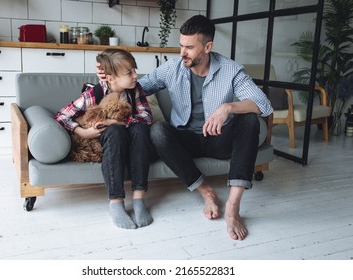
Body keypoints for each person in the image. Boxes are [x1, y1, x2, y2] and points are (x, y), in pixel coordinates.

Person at [97, 15, 273, 240]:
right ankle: (206, 191)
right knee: (158, 130)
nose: (182, 53)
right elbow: (136, 87)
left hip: (218, 139)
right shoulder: (173, 68)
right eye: (181, 45)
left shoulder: (231, 70)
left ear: (208, 47)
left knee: (250, 119)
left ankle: (233, 207)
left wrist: (228, 107)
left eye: (189, 47)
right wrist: (108, 77)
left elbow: (263, 104)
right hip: (184, 141)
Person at [55, 48, 156, 230]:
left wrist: (116, 121)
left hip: (132, 135)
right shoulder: (93, 95)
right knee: (114, 133)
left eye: (135, 69)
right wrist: (82, 132)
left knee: (141, 129)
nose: (136, 75)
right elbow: (61, 116)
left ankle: (139, 200)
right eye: (129, 72)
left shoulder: (135, 90)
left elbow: (147, 116)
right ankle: (116, 203)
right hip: (111, 139)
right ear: (110, 78)